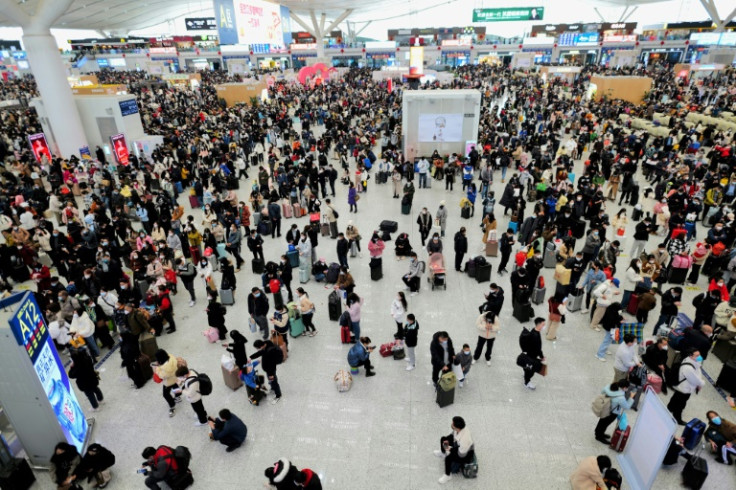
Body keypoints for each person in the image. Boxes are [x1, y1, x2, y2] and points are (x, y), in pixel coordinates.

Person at [667, 349, 705, 425]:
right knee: (680, 405)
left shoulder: (691, 360)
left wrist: (699, 382)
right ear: (691, 356)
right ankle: (677, 419)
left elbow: (697, 370)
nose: (699, 357)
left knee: (675, 398)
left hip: (682, 387)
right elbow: (694, 379)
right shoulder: (688, 368)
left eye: (699, 354)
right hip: (684, 389)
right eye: (697, 355)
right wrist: (701, 383)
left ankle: (669, 408)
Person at [433, 416, 474, 484]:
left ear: (456, 427)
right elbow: (453, 434)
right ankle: (443, 453)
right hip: (458, 445)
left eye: (452, 423)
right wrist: (447, 442)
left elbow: (460, 454)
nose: (451, 424)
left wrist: (449, 450)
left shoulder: (465, 440)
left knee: (448, 458)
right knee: (443, 439)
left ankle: (447, 475)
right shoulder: (459, 429)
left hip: (465, 454)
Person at [251, 339, 283, 404]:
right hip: (269, 370)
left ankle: (278, 395)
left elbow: (271, 364)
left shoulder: (269, 352)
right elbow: (260, 352)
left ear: (261, 346)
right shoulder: (267, 343)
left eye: (257, 348)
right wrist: (251, 357)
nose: (257, 349)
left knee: (274, 382)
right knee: (272, 380)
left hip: (270, 370)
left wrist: (271, 374)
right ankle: (272, 387)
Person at [519, 318, 546, 390]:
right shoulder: (535, 336)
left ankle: (525, 374)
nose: (544, 326)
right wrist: (542, 356)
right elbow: (538, 348)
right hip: (532, 355)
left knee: (528, 367)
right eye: (543, 324)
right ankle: (527, 382)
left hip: (528, 353)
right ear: (539, 324)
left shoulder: (533, 331)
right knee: (531, 370)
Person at [153, 349, 181, 417]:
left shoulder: (166, 369)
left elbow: (161, 376)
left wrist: (156, 368)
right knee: (175, 386)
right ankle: (178, 397)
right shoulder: (171, 358)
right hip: (175, 378)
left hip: (168, 382)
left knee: (165, 394)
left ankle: (172, 406)